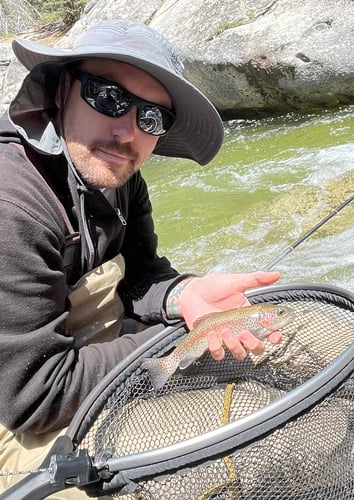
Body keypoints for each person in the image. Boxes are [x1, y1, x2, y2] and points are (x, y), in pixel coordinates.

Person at [0, 19, 281, 496]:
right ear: (64, 87)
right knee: (258, 438)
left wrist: (184, 294)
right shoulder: (13, 208)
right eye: (109, 98)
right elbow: (36, 397)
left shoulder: (120, 177)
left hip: (89, 363)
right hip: (22, 421)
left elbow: (141, 277)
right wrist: (179, 339)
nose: (128, 130)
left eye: (152, 118)